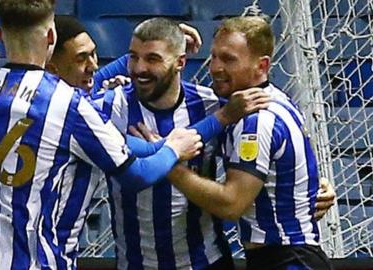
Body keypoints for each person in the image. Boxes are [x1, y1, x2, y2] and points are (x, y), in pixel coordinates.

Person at [0, 1, 207, 268]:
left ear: (0, 36)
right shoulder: (69, 105)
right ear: (51, 39)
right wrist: (173, 148)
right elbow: (137, 175)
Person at [90, 18, 271, 270]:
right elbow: (67, 96)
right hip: (135, 264)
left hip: (207, 263)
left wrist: (314, 186)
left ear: (180, 63)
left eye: (152, 59)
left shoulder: (212, 105)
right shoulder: (109, 107)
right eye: (133, 57)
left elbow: (261, 159)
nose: (139, 68)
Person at [162, 16, 334, 270]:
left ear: (261, 66)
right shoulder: (272, 99)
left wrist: (169, 168)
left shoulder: (256, 120)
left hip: (288, 259)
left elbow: (231, 204)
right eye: (215, 57)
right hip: (287, 255)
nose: (215, 67)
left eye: (229, 59)